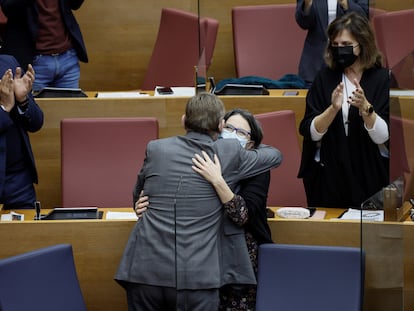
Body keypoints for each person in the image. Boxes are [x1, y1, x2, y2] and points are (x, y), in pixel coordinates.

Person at [115, 93, 282, 311]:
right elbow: (275, 156)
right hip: (197, 277)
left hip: (144, 271)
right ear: (221, 126)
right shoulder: (228, 152)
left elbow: (138, 194)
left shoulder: (156, 148)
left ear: (184, 120)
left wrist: (140, 204)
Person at [298, 12, 389, 208]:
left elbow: (384, 138)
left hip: (370, 175)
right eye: (335, 45)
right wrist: (332, 109)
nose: (340, 50)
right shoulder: (324, 78)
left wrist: (366, 109)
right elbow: (310, 132)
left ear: (362, 44)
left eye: (346, 45)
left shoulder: (382, 79)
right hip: (329, 176)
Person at [0, 0, 88, 92]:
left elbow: (75, 4)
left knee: (70, 106)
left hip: (67, 59)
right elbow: (8, 8)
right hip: (33, 64)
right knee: (31, 105)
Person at [0, 54, 44, 209]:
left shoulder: (8, 63)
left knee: (29, 233)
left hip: (19, 182)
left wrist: (23, 100)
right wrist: (4, 108)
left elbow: (36, 122)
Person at [295, 0, 369, 87]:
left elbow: (363, 19)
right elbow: (304, 23)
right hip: (315, 62)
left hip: (349, 59)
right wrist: (308, 4)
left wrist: (345, 3)